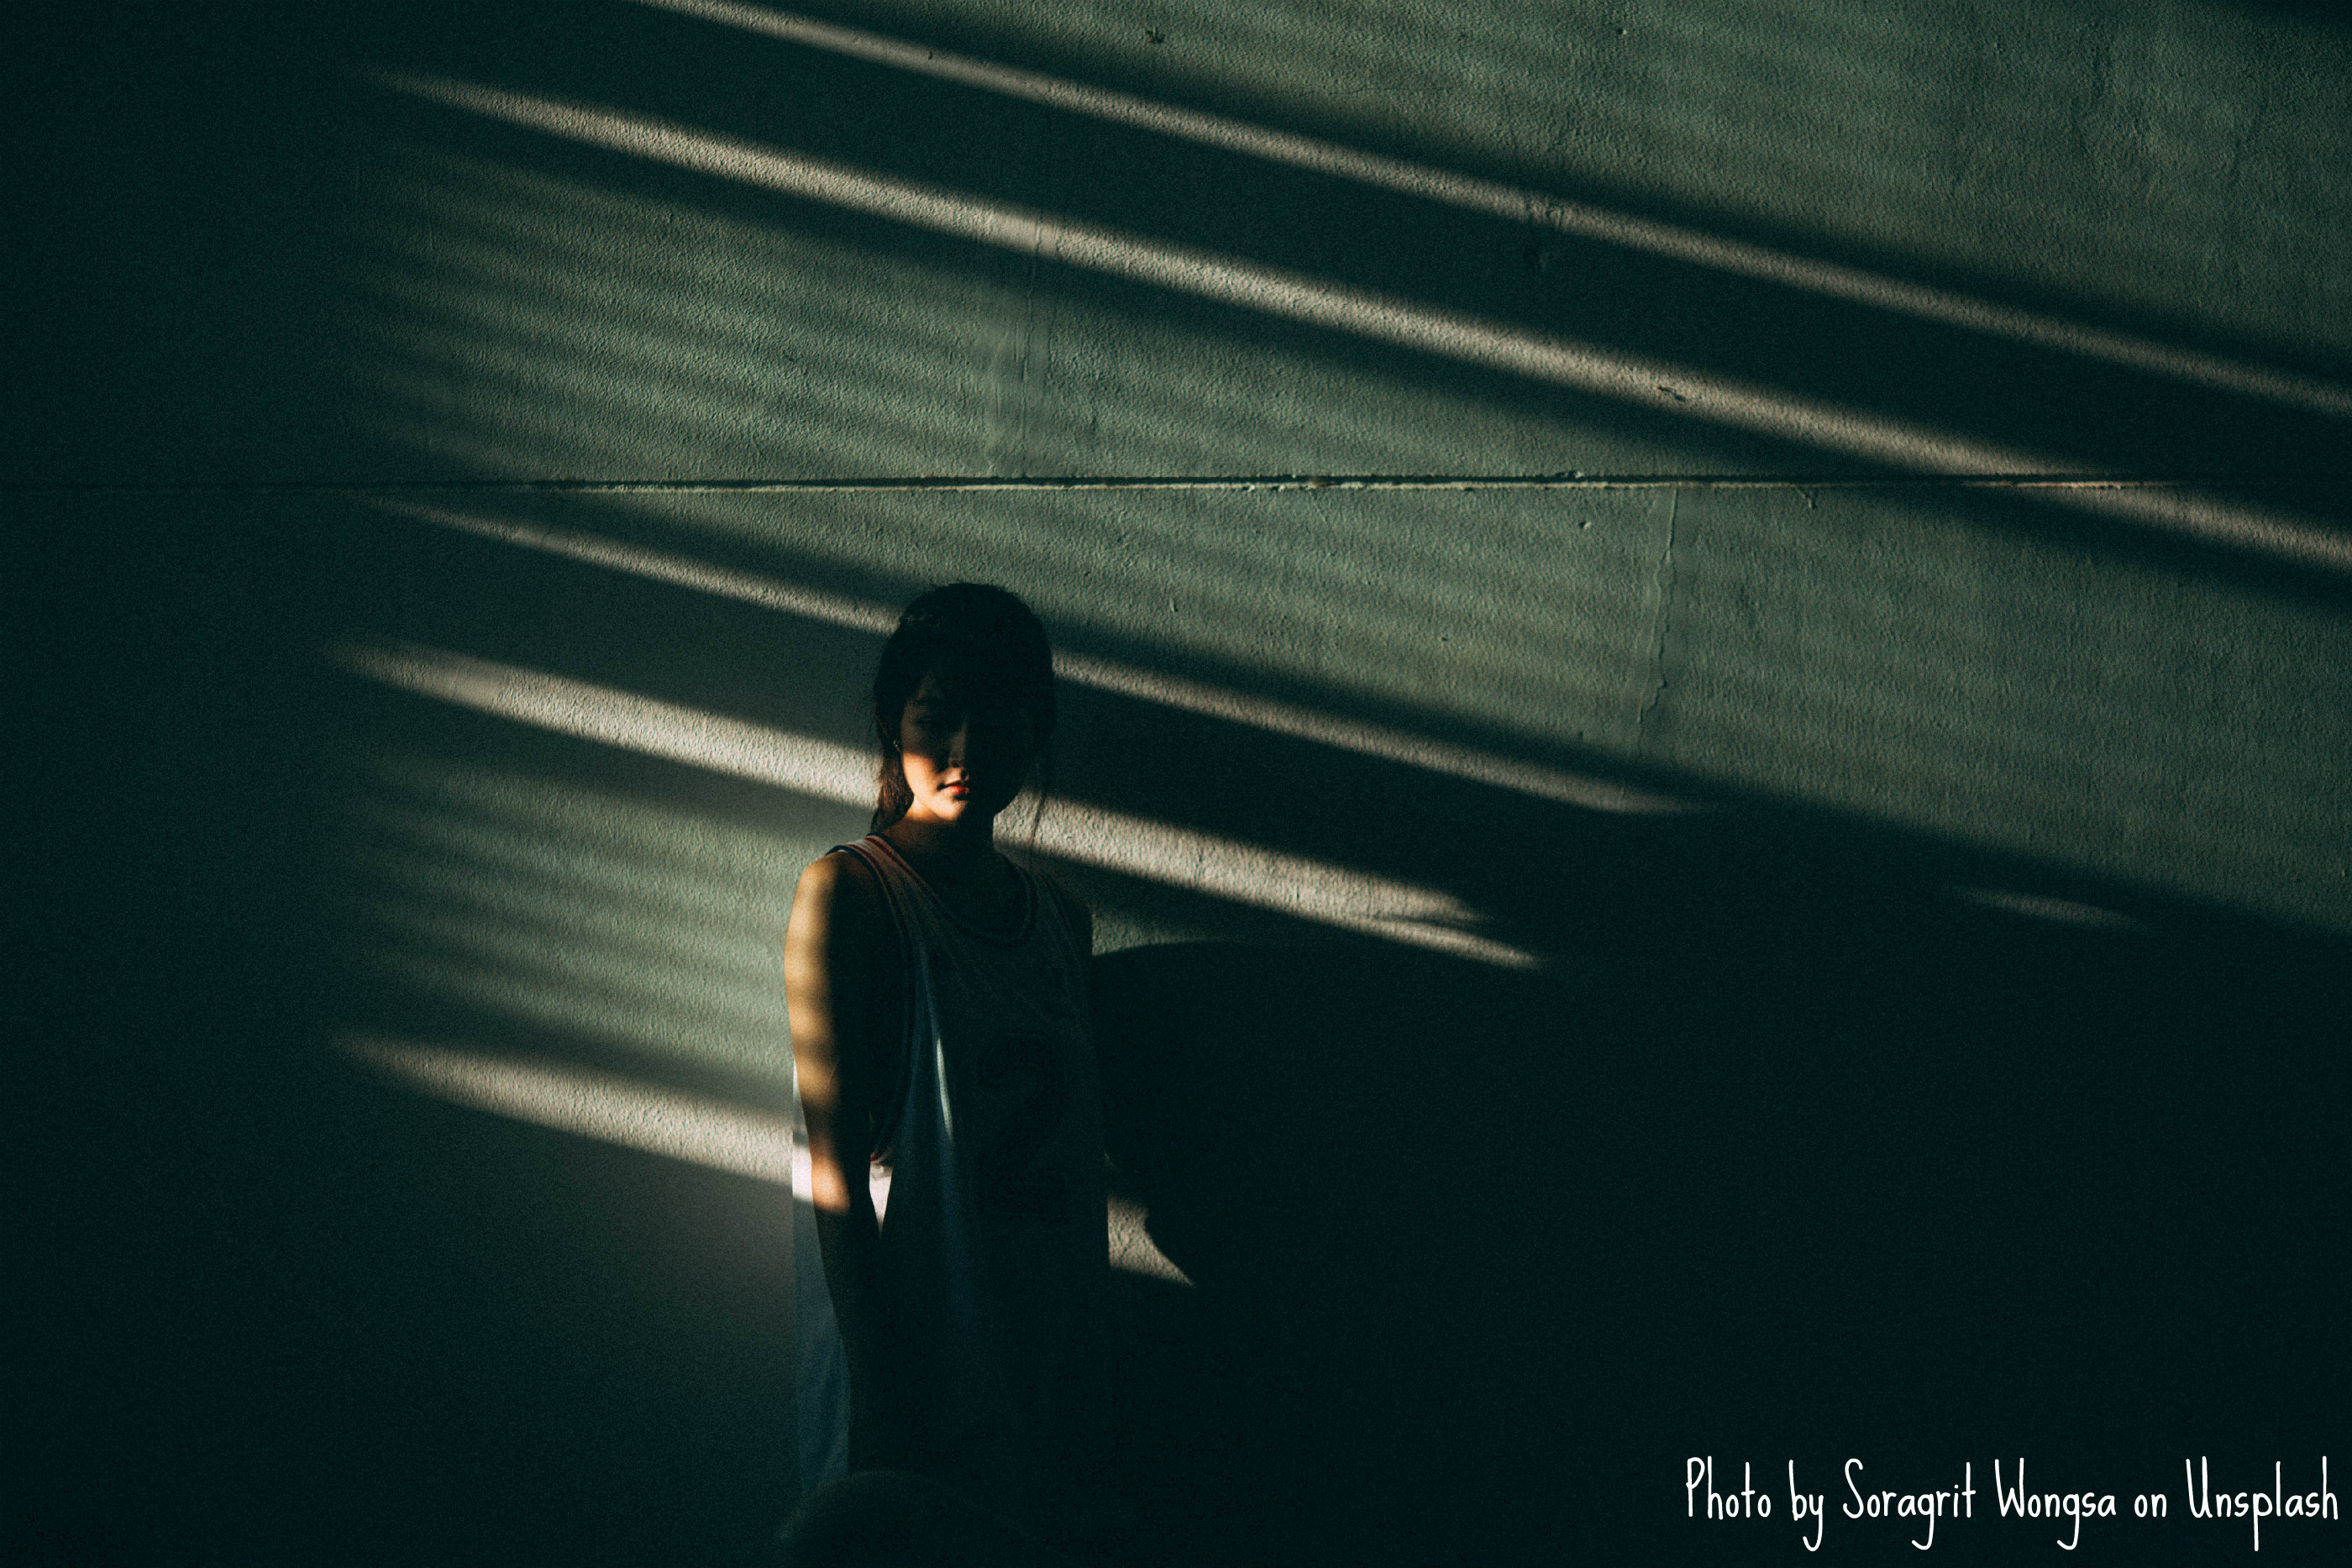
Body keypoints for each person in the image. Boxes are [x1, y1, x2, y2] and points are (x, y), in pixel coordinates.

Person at [781, 584, 1121, 1563]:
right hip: (917, 1365)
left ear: (1037, 729)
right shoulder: (852, 892)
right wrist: (883, 1384)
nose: (967, 748)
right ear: (893, 723)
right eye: (938, 718)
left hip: (1047, 1366)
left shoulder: (1059, 918)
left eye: (999, 719)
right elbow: (833, 1165)